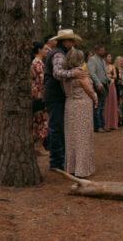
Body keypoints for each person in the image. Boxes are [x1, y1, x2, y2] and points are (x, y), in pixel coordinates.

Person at [42, 29, 87, 171]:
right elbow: (57, 73)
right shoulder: (58, 54)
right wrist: (73, 73)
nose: (72, 43)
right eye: (71, 40)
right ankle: (56, 162)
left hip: (56, 95)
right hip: (55, 96)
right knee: (56, 128)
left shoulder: (59, 52)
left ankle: (60, 160)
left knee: (60, 128)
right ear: (65, 41)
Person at [63, 48, 98, 178]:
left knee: (72, 137)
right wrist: (95, 98)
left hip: (70, 105)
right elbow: (89, 90)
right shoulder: (81, 73)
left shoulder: (66, 74)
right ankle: (82, 169)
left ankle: (72, 167)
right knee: (82, 137)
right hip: (82, 106)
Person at [31, 41, 49, 155]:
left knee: (39, 119)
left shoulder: (38, 62)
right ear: (39, 50)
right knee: (42, 120)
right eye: (45, 49)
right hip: (39, 95)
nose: (47, 51)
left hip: (38, 94)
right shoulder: (37, 64)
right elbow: (41, 81)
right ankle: (38, 145)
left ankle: (38, 144)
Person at [89, 45, 109, 132]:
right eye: (102, 50)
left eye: (104, 50)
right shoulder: (92, 60)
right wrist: (98, 83)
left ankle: (102, 125)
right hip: (98, 86)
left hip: (104, 85)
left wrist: (108, 79)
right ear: (97, 51)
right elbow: (92, 73)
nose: (103, 52)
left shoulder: (102, 60)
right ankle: (97, 127)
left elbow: (104, 72)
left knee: (102, 107)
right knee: (97, 107)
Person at [104, 52, 119, 130]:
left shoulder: (112, 66)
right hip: (105, 85)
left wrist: (111, 76)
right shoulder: (102, 66)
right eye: (109, 57)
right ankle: (105, 123)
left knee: (112, 103)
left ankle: (113, 123)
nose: (110, 58)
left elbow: (115, 76)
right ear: (105, 58)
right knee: (106, 103)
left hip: (111, 85)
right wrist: (108, 76)